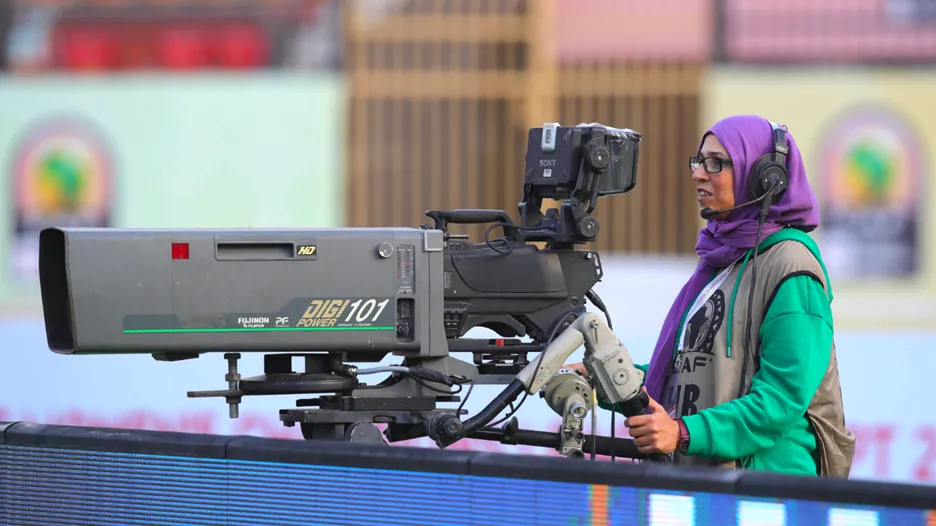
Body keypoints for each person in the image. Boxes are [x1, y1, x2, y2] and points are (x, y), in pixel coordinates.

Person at [566, 114, 855, 477]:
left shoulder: (792, 267)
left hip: (770, 491)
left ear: (765, 177)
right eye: (699, 161)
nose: (698, 173)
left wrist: (684, 433)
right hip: (709, 482)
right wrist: (600, 379)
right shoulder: (722, 260)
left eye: (717, 163)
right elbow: (680, 377)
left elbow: (781, 400)